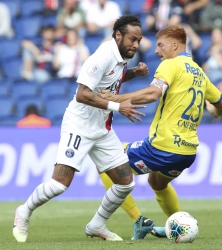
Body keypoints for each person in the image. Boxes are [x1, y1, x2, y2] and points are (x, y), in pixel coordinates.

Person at [13, 14, 151, 243]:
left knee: (126, 183)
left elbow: (109, 81)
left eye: (139, 40)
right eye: (132, 40)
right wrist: (118, 106)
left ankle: (97, 225)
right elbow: (82, 94)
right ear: (118, 35)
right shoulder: (102, 55)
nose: (136, 45)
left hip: (102, 128)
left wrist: (134, 73)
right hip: (79, 125)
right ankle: (24, 211)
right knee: (59, 185)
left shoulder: (120, 55)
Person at [99, 24, 222, 239]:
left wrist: (115, 98)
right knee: (156, 182)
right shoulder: (199, 71)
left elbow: (152, 94)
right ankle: (183, 225)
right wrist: (214, 112)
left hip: (162, 147)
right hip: (187, 153)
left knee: (105, 162)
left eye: (161, 45)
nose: (156, 50)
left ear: (175, 45)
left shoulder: (171, 64)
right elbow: (221, 103)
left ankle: (138, 221)